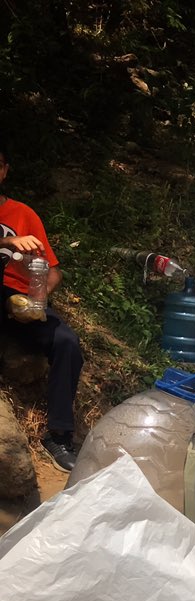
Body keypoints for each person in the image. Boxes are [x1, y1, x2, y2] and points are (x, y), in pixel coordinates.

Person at [0, 143, 84, 472]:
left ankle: (59, 436)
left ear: (5, 171)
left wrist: (39, 297)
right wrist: (7, 242)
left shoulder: (24, 214)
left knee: (67, 342)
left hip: (21, 304)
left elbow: (52, 270)